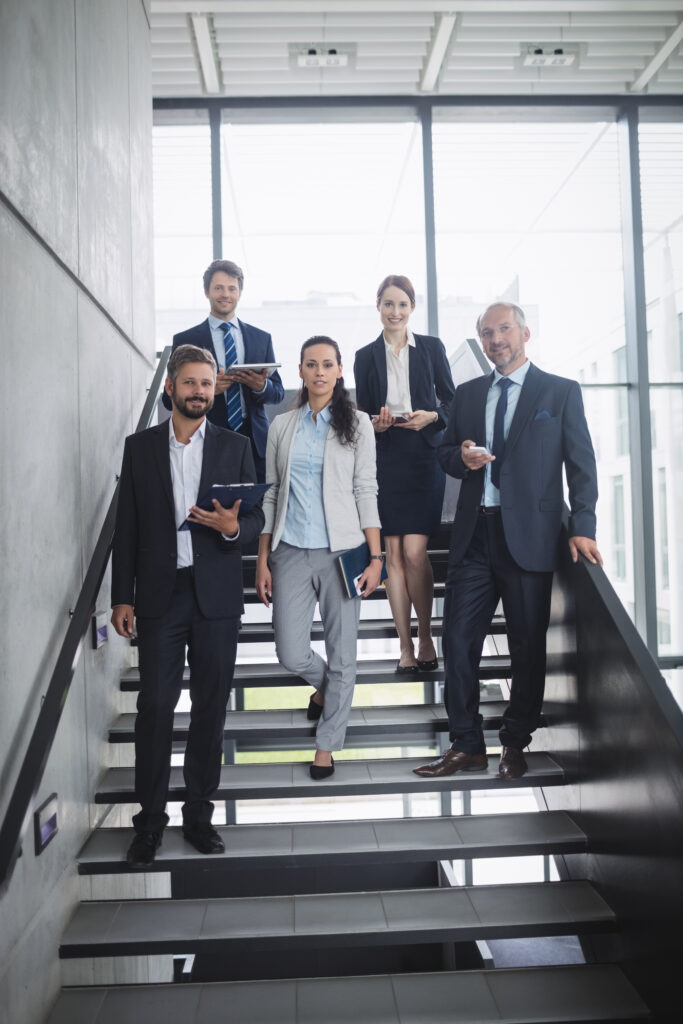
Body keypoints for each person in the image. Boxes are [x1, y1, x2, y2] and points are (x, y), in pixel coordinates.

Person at [414, 302, 602, 782]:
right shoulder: (471, 393)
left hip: (532, 539)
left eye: (503, 330)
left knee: (526, 647)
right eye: (486, 333)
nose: (495, 339)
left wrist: (583, 524)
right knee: (457, 642)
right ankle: (467, 744)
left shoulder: (560, 392)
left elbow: (582, 465)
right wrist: (460, 456)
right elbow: (445, 455)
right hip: (475, 536)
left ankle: (515, 741)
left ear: (524, 333)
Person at [111, 344, 264, 867]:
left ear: (214, 388)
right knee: (154, 708)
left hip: (216, 596)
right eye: (190, 383)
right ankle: (149, 822)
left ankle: (199, 815)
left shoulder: (235, 445)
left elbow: (256, 519)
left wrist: (233, 529)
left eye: (207, 383)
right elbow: (125, 527)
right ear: (172, 387)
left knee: (209, 708)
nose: (198, 391)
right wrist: (121, 597)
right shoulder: (140, 448)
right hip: (159, 596)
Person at [255, 337, 383, 780]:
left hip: (344, 552)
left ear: (340, 370)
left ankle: (327, 746)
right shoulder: (282, 426)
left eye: (327, 364)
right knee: (290, 652)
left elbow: (366, 489)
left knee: (343, 654)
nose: (320, 372)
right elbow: (271, 493)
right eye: (312, 364)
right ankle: (327, 689)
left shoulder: (359, 424)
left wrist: (376, 556)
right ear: (301, 371)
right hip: (289, 550)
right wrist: (262, 557)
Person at [354, 275, 455, 674]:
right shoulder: (364, 356)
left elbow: (451, 398)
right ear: (377, 306)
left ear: (412, 309)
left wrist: (432, 416)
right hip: (387, 456)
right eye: (388, 304)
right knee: (392, 555)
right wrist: (375, 425)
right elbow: (363, 413)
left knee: (415, 552)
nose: (395, 312)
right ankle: (405, 646)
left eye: (402, 305)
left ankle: (427, 635)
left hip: (424, 456)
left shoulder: (431, 348)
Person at [163, 259, 284, 481]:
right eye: (218, 288)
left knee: (254, 509)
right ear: (206, 291)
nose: (225, 294)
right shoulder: (186, 339)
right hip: (206, 436)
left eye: (231, 288)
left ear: (239, 293)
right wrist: (207, 390)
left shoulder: (261, 338)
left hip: (254, 441)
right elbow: (167, 398)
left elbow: (278, 393)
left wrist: (261, 386)